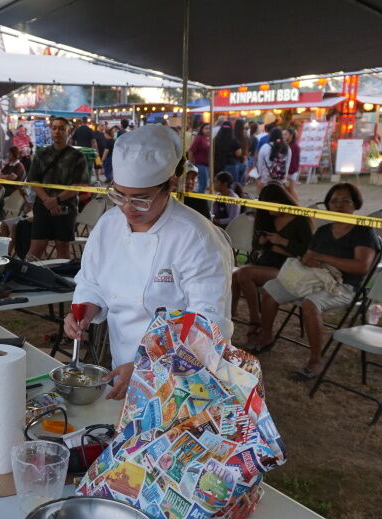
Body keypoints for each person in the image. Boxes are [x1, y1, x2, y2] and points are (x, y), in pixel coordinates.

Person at [66, 124, 234, 400]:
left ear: (170, 184)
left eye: (141, 199)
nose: (128, 208)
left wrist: (149, 367)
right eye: (119, 195)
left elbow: (208, 325)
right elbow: (92, 282)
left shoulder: (196, 237)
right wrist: (82, 312)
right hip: (122, 366)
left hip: (183, 376)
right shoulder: (109, 225)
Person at [250, 183, 378, 377]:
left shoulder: (363, 231)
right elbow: (307, 256)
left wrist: (324, 258)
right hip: (314, 278)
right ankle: (266, 336)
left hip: (344, 286)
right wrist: (312, 260)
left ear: (356, 204)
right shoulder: (324, 231)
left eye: (345, 201)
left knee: (311, 304)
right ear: (328, 204)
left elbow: (361, 267)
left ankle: (316, 360)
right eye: (334, 201)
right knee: (271, 289)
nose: (339, 205)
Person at [232, 182, 312, 341]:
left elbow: (308, 253)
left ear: (281, 201)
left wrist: (282, 242)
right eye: (265, 207)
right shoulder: (266, 217)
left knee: (243, 273)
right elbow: (256, 247)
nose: (268, 211)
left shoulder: (300, 220)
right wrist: (261, 243)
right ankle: (231, 314)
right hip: (265, 262)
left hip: (289, 268)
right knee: (236, 276)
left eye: (271, 206)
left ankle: (255, 319)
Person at [25, 117, 88, 260]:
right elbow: (34, 181)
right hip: (42, 205)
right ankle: (28, 278)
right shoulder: (41, 154)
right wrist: (48, 200)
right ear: (50, 131)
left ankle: (61, 279)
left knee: (63, 248)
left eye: (61, 128)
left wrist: (57, 200)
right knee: (36, 247)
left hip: (66, 207)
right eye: (54, 128)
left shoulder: (77, 156)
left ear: (68, 131)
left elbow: (79, 185)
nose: (57, 131)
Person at [255, 127, 291, 191]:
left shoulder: (265, 147)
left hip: (267, 177)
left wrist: (260, 175)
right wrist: (285, 176)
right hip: (280, 177)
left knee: (266, 195)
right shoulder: (287, 148)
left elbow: (260, 163)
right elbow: (287, 163)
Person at [187, 123, 211, 192]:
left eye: (209, 129)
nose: (208, 130)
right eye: (206, 129)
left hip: (205, 165)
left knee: (203, 184)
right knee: (203, 184)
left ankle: (200, 197)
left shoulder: (207, 139)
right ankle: (199, 199)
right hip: (200, 164)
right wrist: (191, 161)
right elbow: (191, 150)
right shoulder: (199, 138)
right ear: (202, 129)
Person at [284, 127, 302, 194]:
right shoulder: (287, 144)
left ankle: (296, 203)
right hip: (288, 171)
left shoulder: (294, 146)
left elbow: (294, 161)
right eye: (284, 134)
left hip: (292, 171)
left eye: (286, 134)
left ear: (291, 135)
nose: (284, 136)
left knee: (291, 189)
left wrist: (289, 172)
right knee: (288, 189)